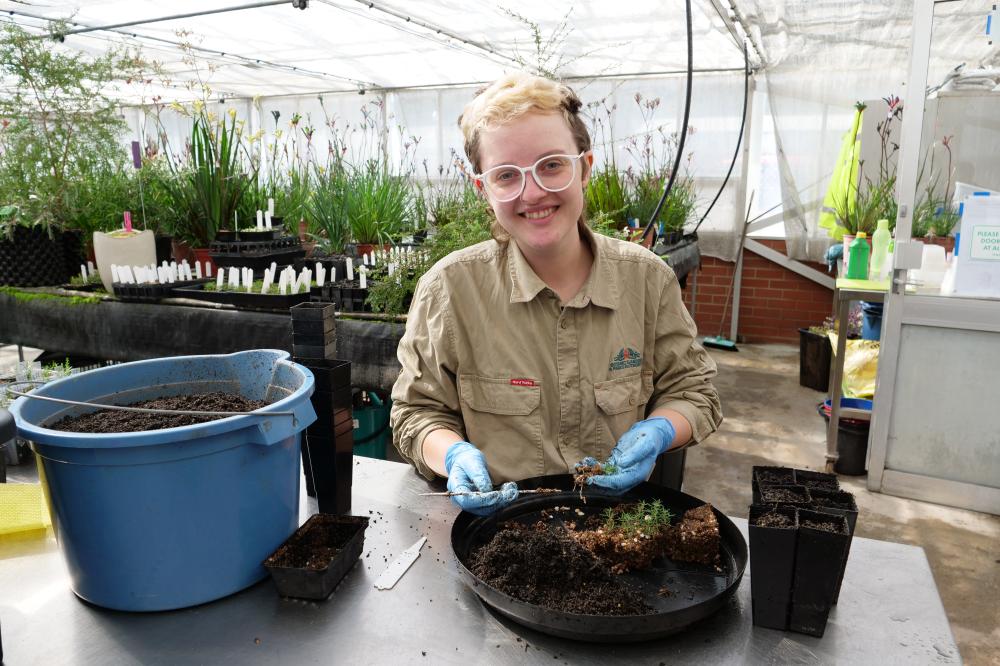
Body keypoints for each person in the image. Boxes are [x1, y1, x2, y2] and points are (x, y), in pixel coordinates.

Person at [390, 72, 722, 515]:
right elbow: (417, 412)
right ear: (484, 191)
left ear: (584, 168)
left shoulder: (648, 281)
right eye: (506, 175)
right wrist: (451, 455)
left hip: (618, 528)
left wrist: (662, 428)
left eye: (551, 165)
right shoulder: (450, 291)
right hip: (499, 530)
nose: (533, 192)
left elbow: (693, 390)